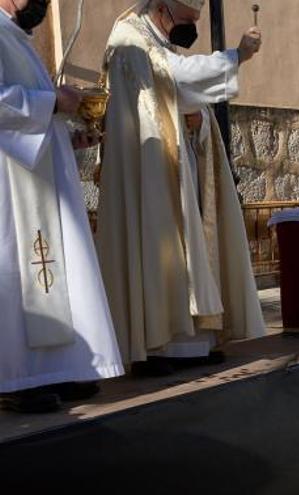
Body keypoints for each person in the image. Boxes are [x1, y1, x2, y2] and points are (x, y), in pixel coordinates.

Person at [98, 0, 266, 376]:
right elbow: (176, 78)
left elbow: (183, 97)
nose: (188, 28)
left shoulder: (159, 42)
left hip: (177, 166)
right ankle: (155, 346)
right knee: (160, 246)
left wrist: (199, 122)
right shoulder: (129, 41)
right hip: (149, 171)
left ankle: (192, 343)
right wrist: (236, 55)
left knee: (190, 246)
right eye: (186, 20)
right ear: (162, 8)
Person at [0, 0, 124, 413]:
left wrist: (69, 138)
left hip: (38, 174)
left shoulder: (15, 37)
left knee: (53, 273)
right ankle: (15, 378)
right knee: (19, 275)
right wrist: (52, 101)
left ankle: (53, 369)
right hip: (9, 182)